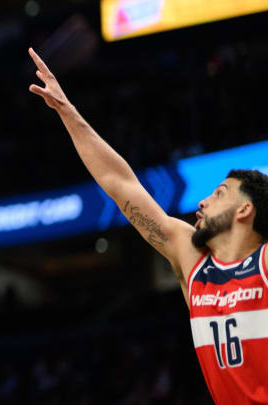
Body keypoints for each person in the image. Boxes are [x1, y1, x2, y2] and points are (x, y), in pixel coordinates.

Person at [27, 47, 268, 404]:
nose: (202, 201)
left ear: (245, 210)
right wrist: (67, 111)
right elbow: (120, 183)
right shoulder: (193, 261)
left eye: (219, 194)